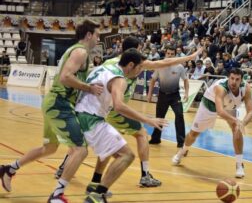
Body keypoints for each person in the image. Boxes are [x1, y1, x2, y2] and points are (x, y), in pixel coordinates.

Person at [55, 37, 202, 190]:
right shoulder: (128, 69)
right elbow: (163, 63)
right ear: (132, 55)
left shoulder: (108, 63)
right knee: (140, 135)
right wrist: (190, 57)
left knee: (98, 144)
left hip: (93, 109)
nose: (141, 53)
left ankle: (80, 176)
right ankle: (143, 176)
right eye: (139, 49)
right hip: (112, 110)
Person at [0, 19, 103, 202]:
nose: (98, 38)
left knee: (49, 148)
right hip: (59, 103)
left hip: (53, 102)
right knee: (80, 150)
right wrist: (89, 88)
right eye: (97, 34)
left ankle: (10, 168)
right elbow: (65, 77)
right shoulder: (80, 51)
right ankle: (57, 195)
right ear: (89, 35)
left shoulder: (76, 51)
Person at [76, 48, 168, 202]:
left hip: (81, 114)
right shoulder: (120, 78)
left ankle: (94, 184)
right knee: (126, 155)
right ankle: (97, 195)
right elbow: (119, 106)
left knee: (109, 147)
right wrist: (148, 120)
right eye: (140, 67)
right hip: (91, 118)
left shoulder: (102, 67)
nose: (140, 71)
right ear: (131, 65)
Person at [172, 68, 252, 178]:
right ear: (228, 78)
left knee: (237, 129)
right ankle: (183, 150)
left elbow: (250, 112)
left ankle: (239, 165)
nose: (234, 82)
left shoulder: (246, 88)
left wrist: (242, 123)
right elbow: (220, 111)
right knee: (193, 134)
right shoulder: (221, 88)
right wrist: (235, 120)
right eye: (232, 78)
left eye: (237, 79)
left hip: (229, 107)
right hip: (210, 105)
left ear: (241, 80)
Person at [147, 46, 189, 148]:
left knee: (179, 115)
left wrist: (187, 93)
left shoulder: (179, 67)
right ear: (165, 54)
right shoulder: (159, 65)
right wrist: (149, 94)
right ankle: (156, 138)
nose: (170, 55)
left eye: (172, 54)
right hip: (162, 95)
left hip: (175, 96)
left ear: (175, 55)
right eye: (168, 53)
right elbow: (153, 80)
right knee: (159, 118)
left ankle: (181, 141)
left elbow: (186, 80)